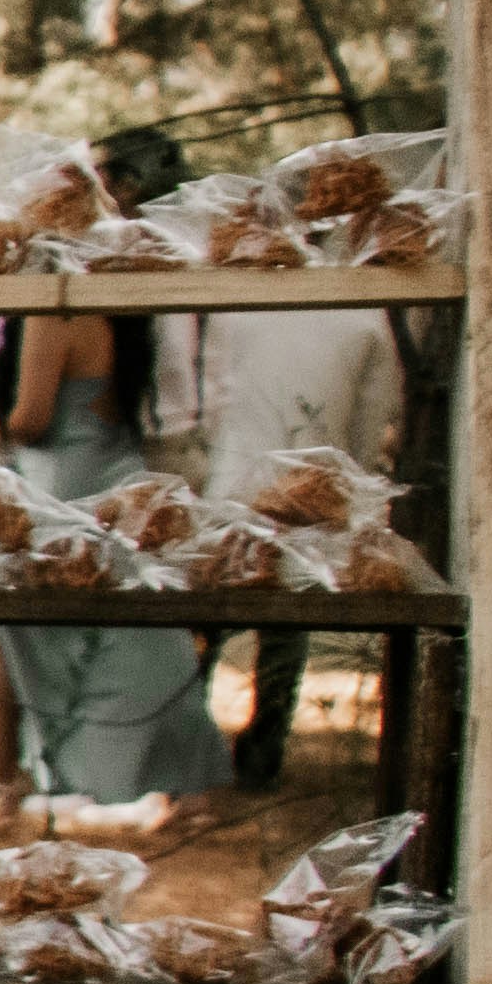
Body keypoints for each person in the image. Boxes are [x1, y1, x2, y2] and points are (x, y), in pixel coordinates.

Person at [0, 289, 225, 834]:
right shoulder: (119, 314)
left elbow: (31, 419)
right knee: (140, 629)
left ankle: (23, 784)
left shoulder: (51, 311)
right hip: (112, 467)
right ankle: (185, 781)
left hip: (63, 479)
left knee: (35, 631)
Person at [168, 267, 400, 789]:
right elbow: (372, 412)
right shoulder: (366, 311)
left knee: (209, 612)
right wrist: (348, 479)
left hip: (238, 470)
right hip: (318, 478)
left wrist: (214, 453)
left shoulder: (246, 300)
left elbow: (211, 392)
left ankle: (186, 740)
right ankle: (263, 749)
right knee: (286, 625)